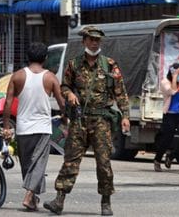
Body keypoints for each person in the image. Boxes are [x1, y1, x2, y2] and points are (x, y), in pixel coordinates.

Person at [43, 26, 130, 216]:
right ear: (84, 42)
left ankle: (105, 202)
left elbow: (120, 92)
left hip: (101, 121)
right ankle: (59, 200)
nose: (94, 43)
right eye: (90, 40)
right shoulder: (74, 64)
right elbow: (64, 86)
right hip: (80, 120)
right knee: (71, 161)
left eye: (97, 40)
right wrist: (70, 94)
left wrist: (125, 116)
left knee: (104, 163)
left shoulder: (109, 65)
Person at [2, 42, 65, 211]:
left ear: (28, 57)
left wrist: (7, 126)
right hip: (42, 128)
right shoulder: (50, 77)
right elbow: (61, 102)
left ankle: (33, 200)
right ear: (45, 58)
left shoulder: (17, 76)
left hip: (23, 128)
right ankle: (29, 194)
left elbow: (8, 103)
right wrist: (66, 116)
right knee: (38, 164)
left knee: (28, 165)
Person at [153, 63, 179, 175]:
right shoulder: (165, 82)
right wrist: (175, 75)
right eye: (177, 73)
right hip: (170, 115)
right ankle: (158, 159)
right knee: (166, 139)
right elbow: (173, 91)